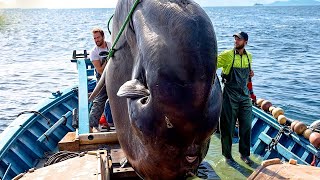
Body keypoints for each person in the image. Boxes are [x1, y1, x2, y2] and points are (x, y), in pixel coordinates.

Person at [218, 31, 254, 165]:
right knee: (228, 127)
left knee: (246, 125)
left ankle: (244, 155)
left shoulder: (249, 56)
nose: (236, 41)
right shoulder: (227, 55)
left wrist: (251, 74)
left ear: (245, 42)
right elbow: (211, 65)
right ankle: (227, 156)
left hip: (245, 96)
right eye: (235, 39)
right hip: (229, 95)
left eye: (239, 39)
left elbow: (248, 76)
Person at [89, 28, 112, 131]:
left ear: (103, 37)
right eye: (94, 38)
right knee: (99, 100)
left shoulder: (111, 45)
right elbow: (100, 71)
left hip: (115, 75)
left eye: (98, 37)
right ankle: (91, 125)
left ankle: (111, 122)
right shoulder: (94, 53)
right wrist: (109, 59)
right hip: (102, 77)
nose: (96, 40)